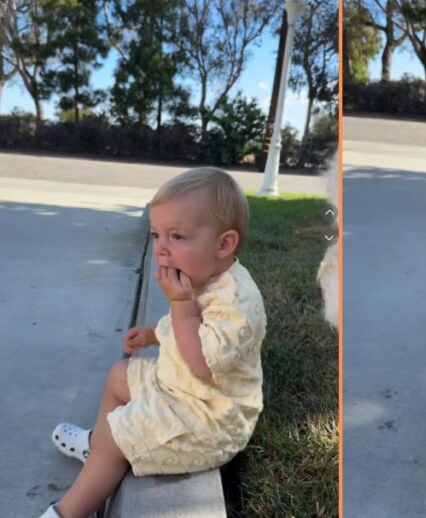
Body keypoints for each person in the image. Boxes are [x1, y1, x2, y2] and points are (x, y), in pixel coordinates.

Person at [42, 168, 266, 518]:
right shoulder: (205, 274)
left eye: (176, 236)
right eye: (156, 235)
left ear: (223, 244)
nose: (161, 249)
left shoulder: (237, 302)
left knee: (115, 435)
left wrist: (179, 303)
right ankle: (96, 448)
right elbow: (186, 325)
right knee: (120, 375)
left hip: (208, 419)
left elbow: (202, 363)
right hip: (179, 388)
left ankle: (66, 512)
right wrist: (153, 333)